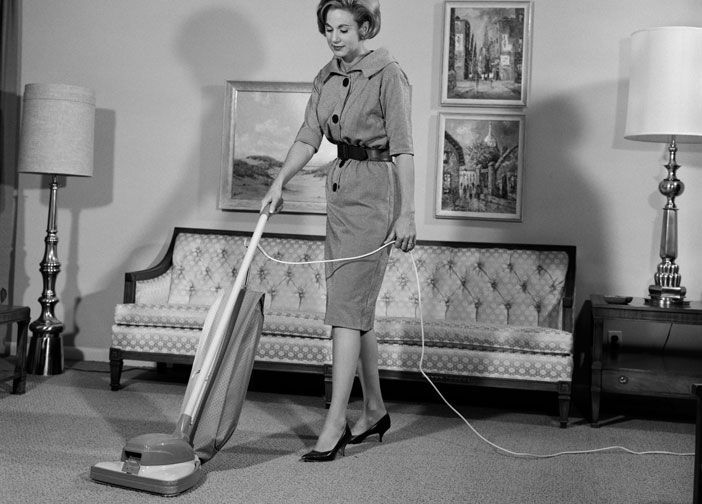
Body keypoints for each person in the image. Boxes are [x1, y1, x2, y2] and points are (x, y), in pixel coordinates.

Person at [260, 0, 416, 462]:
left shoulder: (390, 74)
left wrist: (407, 214)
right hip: (342, 191)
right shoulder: (325, 78)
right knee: (353, 305)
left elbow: (404, 150)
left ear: (365, 27)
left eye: (344, 28)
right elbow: (309, 136)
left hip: (377, 195)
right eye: (328, 28)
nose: (335, 37)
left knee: (345, 309)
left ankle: (335, 422)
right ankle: (373, 408)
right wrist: (278, 181)